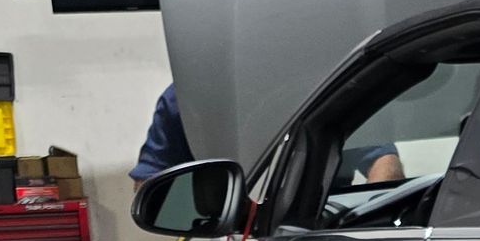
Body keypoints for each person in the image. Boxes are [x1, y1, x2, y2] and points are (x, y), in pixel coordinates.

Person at [130, 82, 404, 186]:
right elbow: (149, 184)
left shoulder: (328, 86)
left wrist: (372, 225)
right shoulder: (184, 99)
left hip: (325, 231)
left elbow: (383, 161)